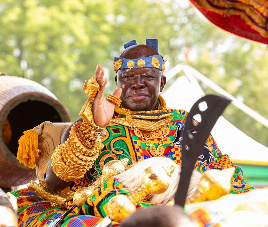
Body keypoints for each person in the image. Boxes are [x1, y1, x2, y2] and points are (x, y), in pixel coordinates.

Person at [14, 39, 253, 226]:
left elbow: (228, 180)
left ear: (162, 83)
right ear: (117, 83)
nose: (137, 83)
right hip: (111, 217)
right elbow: (53, 187)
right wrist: (93, 129)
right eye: (128, 77)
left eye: (148, 77)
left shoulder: (185, 123)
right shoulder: (90, 126)